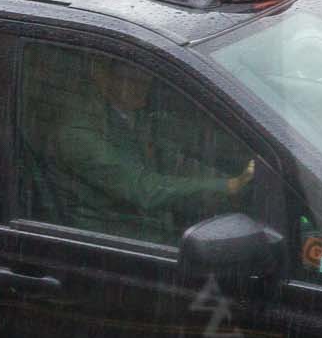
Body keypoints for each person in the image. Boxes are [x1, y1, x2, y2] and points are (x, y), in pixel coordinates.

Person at [41, 56, 256, 247]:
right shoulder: (79, 135)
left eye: (146, 79)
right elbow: (143, 189)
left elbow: (172, 161)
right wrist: (226, 186)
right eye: (132, 80)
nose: (142, 86)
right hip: (109, 241)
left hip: (146, 225)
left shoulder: (132, 115)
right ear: (104, 78)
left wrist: (228, 184)